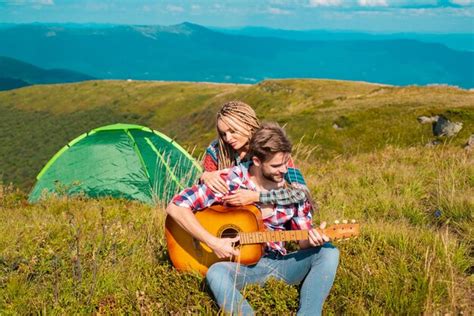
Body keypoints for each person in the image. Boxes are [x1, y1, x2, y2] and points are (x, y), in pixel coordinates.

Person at [166, 123, 339, 315]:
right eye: (276, 165)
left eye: (286, 162)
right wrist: (213, 242)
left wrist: (314, 238)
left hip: (278, 263)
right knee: (216, 273)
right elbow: (176, 206)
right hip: (240, 268)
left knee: (329, 252)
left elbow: (303, 242)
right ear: (256, 161)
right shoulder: (231, 181)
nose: (284, 170)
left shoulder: (292, 189)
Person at [200, 100, 309, 207]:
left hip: (271, 215)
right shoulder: (217, 150)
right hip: (229, 215)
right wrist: (204, 176)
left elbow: (301, 193)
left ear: (248, 125)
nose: (228, 138)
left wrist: (257, 197)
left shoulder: (270, 147)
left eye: (233, 131)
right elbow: (200, 192)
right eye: (224, 133)